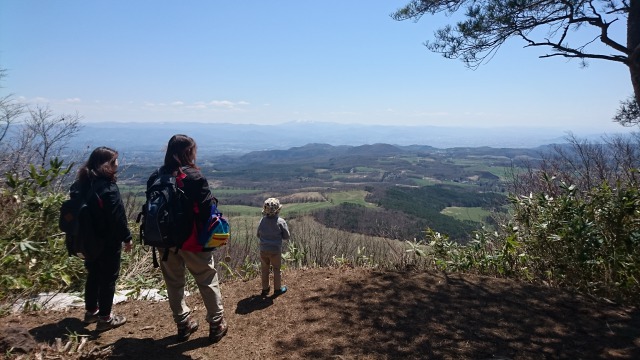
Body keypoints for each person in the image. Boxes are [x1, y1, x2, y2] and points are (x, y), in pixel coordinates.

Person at [146, 134, 227, 343]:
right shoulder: (194, 177)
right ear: (188, 152)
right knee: (206, 278)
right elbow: (206, 209)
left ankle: (183, 324)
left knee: (174, 283)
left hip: (165, 242)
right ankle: (216, 324)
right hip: (192, 241)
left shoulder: (156, 176)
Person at [71, 146, 132, 331]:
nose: (118, 164)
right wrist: (127, 237)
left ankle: (91, 312)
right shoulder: (108, 187)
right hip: (107, 241)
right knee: (108, 279)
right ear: (107, 164)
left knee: (94, 275)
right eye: (115, 161)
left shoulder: (81, 183)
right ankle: (105, 318)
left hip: (86, 240)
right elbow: (117, 217)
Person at [256, 197, 290, 297]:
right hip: (275, 250)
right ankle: (277, 289)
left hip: (263, 250)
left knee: (264, 270)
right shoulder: (281, 221)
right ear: (278, 210)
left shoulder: (262, 221)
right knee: (276, 269)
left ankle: (265, 289)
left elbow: (258, 234)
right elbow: (286, 236)